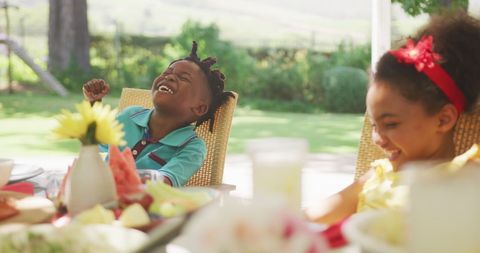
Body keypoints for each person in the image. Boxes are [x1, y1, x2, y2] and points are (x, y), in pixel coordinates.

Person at [305, 12, 480, 225]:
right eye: (374, 125)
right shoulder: (377, 175)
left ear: (443, 119)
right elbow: (313, 216)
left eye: (390, 124)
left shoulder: (465, 178)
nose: (377, 139)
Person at [83, 41, 233, 187]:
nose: (169, 77)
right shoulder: (130, 116)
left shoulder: (192, 147)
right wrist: (94, 104)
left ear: (199, 108)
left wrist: (117, 177)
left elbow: (165, 180)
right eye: (167, 72)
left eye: (183, 78)